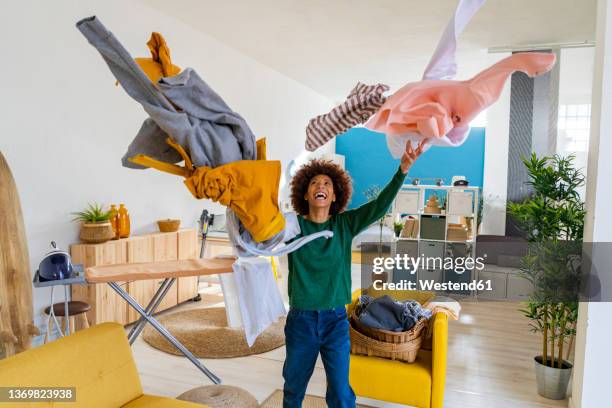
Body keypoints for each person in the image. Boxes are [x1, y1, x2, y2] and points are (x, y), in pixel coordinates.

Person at [283, 140, 428, 407]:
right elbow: (262, 226)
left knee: (340, 393)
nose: (321, 187)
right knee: (293, 390)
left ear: (335, 195)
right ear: (305, 193)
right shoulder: (292, 226)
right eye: (315, 183)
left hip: (335, 320)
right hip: (301, 320)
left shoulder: (345, 224)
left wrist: (403, 171)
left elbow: (379, 207)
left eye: (327, 184)